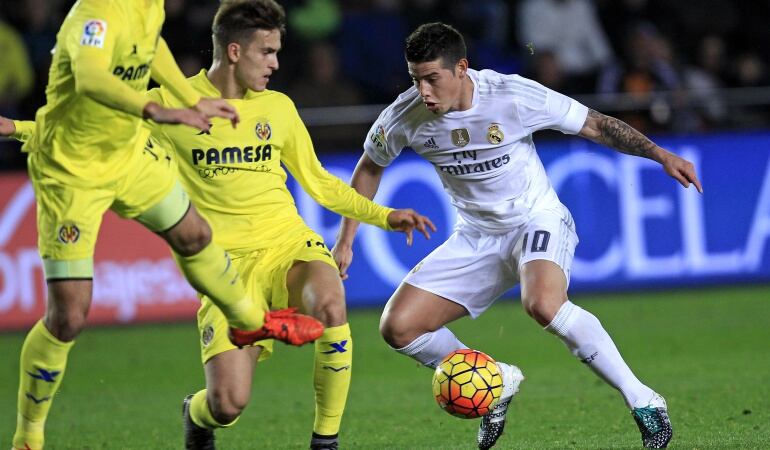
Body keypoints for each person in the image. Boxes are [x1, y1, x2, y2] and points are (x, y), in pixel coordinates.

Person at [3, 2, 434, 449]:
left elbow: (319, 182)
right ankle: (196, 413)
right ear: (234, 51)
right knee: (227, 404)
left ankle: (325, 442)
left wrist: (383, 216)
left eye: (277, 52)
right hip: (225, 268)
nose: (276, 63)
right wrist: (17, 129)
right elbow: (92, 135)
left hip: (286, 244)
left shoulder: (278, 108)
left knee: (331, 305)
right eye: (266, 52)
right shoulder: (170, 103)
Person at [333, 22, 702, 449]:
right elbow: (369, 167)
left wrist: (660, 154)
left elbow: (596, 125)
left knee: (543, 304)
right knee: (399, 327)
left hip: (535, 219)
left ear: (461, 68)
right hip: (476, 235)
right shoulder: (405, 114)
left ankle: (644, 400)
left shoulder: (511, 95)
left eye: (432, 78)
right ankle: (497, 380)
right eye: (416, 79)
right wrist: (347, 240)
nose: (424, 91)